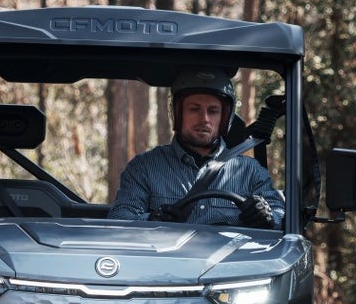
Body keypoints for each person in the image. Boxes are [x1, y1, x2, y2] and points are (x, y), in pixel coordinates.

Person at [108, 69, 286, 228]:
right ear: (177, 114)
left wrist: (266, 216)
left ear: (225, 118)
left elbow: (281, 216)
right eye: (194, 109)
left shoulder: (250, 172)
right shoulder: (144, 168)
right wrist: (153, 220)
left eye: (213, 111)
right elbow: (119, 219)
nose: (204, 119)